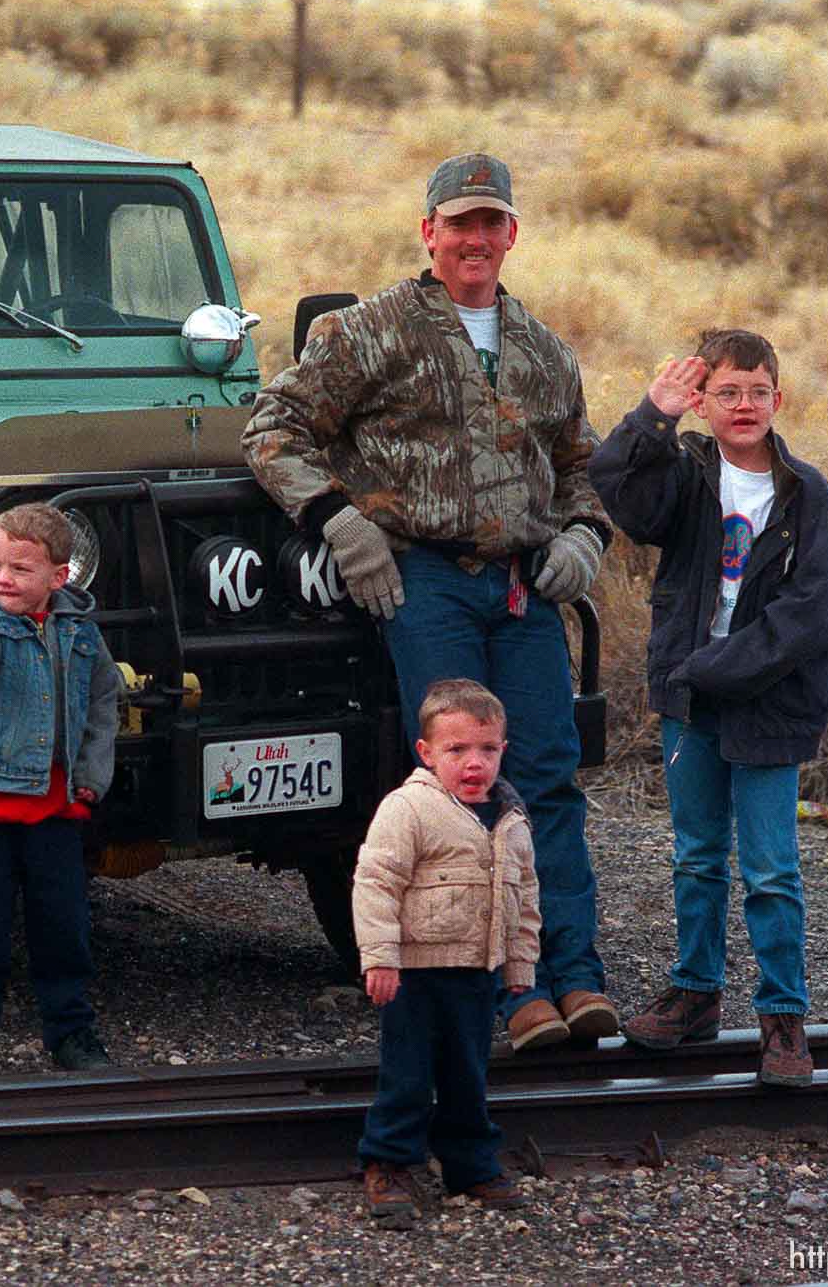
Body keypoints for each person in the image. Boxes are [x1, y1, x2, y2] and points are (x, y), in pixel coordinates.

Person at [243, 151, 617, 1052]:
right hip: (426, 585)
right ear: (429, 234)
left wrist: (581, 539)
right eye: (459, 225)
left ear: (512, 235)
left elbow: (580, 467)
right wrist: (340, 522)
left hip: (521, 590)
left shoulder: (541, 350)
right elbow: (272, 426)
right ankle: (497, 995)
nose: (475, 240)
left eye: (491, 224)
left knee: (548, 783)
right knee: (461, 783)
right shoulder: (373, 332)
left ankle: (573, 978)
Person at [587, 329, 828, 1088]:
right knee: (697, 857)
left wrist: (716, 668)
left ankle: (783, 1021)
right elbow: (618, 490)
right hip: (691, 700)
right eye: (727, 392)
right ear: (703, 402)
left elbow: (816, 611)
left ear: (780, 398)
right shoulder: (684, 477)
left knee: (771, 869)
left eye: (758, 391)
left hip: (764, 702)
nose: (745, 405)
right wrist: (651, 416)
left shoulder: (808, 495)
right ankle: (696, 996)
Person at [0, 502, 123, 1077]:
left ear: (60, 577)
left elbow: (103, 703)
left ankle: (71, 1030)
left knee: (62, 920)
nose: (2, 579)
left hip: (57, 803)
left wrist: (90, 780)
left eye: (19, 569)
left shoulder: (81, 633)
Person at [352, 678, 540, 1225]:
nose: (473, 762)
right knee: (408, 1074)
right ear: (427, 752)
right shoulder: (408, 808)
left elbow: (525, 895)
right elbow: (375, 882)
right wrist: (381, 957)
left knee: (467, 1072)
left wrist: (521, 961)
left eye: (486, 749)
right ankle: (388, 1162)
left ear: (503, 749)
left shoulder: (510, 817)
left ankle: (471, 1164)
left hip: (475, 972)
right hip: (412, 972)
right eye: (456, 750)